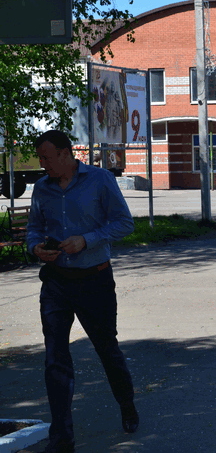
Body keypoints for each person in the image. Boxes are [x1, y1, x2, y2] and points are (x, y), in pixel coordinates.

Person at [26, 130, 138, 453]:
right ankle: (62, 438)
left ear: (66, 154)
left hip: (95, 281)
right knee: (55, 359)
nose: (42, 163)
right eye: (40, 158)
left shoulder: (100, 180)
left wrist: (86, 240)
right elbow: (34, 228)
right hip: (57, 284)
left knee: (107, 350)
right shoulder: (41, 189)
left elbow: (124, 224)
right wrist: (36, 247)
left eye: (47, 157)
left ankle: (126, 403)